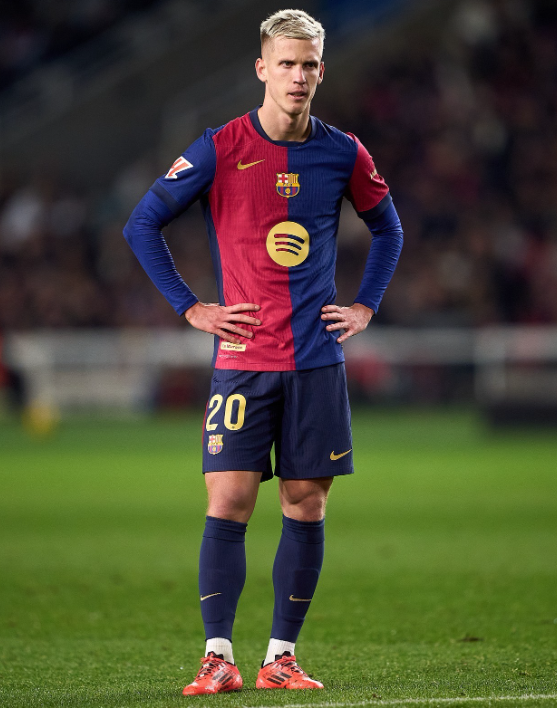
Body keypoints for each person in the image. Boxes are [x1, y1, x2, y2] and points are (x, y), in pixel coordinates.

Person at [124, 8, 403, 695]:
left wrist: (366, 304)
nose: (297, 76)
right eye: (285, 63)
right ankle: (217, 657)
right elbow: (142, 224)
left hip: (315, 361)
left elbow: (388, 229)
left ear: (321, 71)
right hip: (244, 361)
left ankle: (281, 657)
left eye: (308, 65)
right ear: (261, 69)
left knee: (305, 505)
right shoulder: (219, 147)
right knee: (229, 502)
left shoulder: (344, 153)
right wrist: (191, 307)